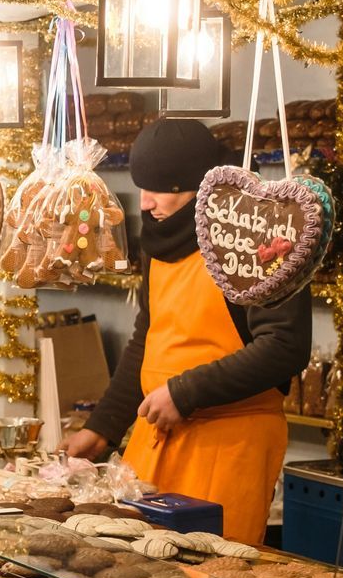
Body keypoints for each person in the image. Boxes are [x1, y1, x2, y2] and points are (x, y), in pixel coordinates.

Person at [60, 119, 311, 545]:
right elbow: (149, 337)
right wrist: (101, 428)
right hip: (157, 437)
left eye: (161, 189)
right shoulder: (158, 244)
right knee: (132, 566)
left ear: (199, 186)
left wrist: (185, 393)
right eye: (142, 187)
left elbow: (284, 347)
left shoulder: (257, 241)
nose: (147, 202)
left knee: (208, 576)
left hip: (231, 443)